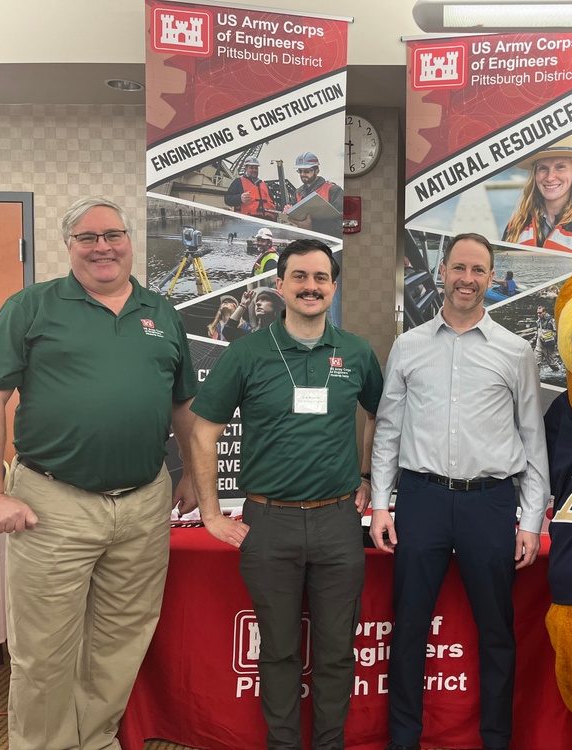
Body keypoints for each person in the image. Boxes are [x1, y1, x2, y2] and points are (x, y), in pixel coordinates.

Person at [0, 196, 198, 750]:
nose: (103, 247)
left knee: (119, 642)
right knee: (44, 651)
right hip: (52, 503)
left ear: (129, 239)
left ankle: (94, 741)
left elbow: (183, 406)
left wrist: (191, 475)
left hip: (144, 503)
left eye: (112, 235)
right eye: (87, 238)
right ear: (68, 245)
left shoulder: (160, 312)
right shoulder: (31, 306)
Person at [188, 238, 383, 750]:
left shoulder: (356, 352)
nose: (310, 287)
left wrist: (366, 477)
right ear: (279, 286)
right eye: (299, 277)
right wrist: (211, 514)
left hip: (338, 522)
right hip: (268, 522)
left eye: (320, 278)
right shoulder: (247, 353)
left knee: (338, 651)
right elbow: (203, 431)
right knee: (277, 652)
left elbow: (381, 416)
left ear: (333, 287)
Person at [370, 232, 549, 750]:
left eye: (479, 271)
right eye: (459, 268)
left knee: (496, 632)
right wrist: (382, 503)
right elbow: (388, 430)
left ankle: (497, 740)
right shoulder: (408, 346)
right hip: (422, 500)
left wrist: (531, 520)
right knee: (408, 631)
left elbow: (532, 439)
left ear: (491, 279)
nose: (467, 279)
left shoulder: (515, 353)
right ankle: (403, 740)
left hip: (490, 503)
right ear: (442, 272)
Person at [503, 132, 572, 252]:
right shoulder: (515, 227)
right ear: (535, 175)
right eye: (543, 168)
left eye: (560, 167)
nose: (550, 177)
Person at [283, 152, 344, 237]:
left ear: (317, 171)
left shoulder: (333, 190)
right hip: (305, 240)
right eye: (300, 171)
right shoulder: (298, 193)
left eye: (307, 171)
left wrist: (312, 227)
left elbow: (342, 225)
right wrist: (288, 209)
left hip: (327, 243)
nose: (302, 174)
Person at [533, 304, 560, 370]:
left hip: (549, 345)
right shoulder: (538, 321)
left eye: (540, 313)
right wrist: (533, 340)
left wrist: (557, 344)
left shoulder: (551, 320)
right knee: (535, 362)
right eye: (537, 313)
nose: (538, 314)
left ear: (544, 312)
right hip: (539, 344)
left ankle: (559, 369)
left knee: (553, 364)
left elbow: (556, 332)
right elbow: (537, 332)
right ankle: (536, 377)